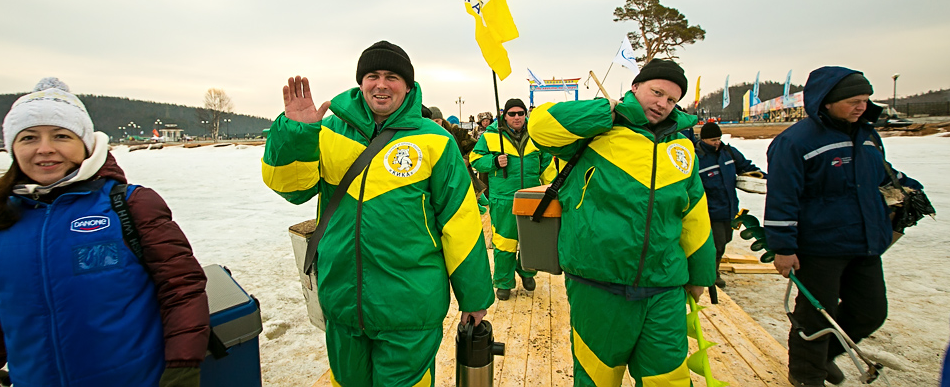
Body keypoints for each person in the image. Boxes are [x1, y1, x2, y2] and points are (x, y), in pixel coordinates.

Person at [261, 41, 494, 386]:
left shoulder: (435, 141)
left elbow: (459, 224)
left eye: (392, 77)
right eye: (372, 75)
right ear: (361, 82)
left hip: (410, 307)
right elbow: (291, 189)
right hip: (342, 302)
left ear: (409, 86)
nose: (381, 84)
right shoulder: (326, 132)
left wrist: (473, 297)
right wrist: (297, 133)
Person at [0, 78, 209, 387]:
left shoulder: (130, 205)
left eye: (61, 135)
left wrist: (182, 366)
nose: (45, 149)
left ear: (85, 144)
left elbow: (182, 288)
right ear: (12, 147)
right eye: (29, 137)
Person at [529, 59, 715, 386]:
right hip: (598, 282)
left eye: (671, 100)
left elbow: (694, 216)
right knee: (598, 379)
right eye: (657, 92)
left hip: (664, 286)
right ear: (635, 87)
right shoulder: (595, 131)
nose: (662, 104)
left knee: (669, 380)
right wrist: (606, 112)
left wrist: (699, 274)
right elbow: (540, 125)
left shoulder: (682, 148)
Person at [764, 67, 923, 387]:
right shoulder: (796, 142)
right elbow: (782, 196)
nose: (861, 106)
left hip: (865, 241)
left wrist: (908, 189)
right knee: (813, 316)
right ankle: (807, 375)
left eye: (865, 99)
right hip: (820, 246)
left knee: (871, 311)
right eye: (853, 100)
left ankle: (824, 356)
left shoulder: (867, 135)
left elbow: (880, 175)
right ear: (826, 101)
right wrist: (783, 246)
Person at [469, 98, 555, 301]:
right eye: (512, 113)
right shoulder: (491, 136)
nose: (517, 117)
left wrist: (551, 189)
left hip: (533, 197)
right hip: (504, 198)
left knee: (532, 239)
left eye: (520, 113)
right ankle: (504, 282)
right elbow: (475, 159)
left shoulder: (536, 135)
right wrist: (494, 161)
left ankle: (527, 272)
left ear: (526, 115)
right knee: (504, 242)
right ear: (504, 116)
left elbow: (547, 165)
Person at [694, 121, 764, 288]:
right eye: (713, 140)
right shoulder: (698, 157)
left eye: (718, 138)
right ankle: (711, 274)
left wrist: (763, 177)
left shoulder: (728, 152)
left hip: (729, 208)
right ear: (703, 140)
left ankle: (711, 269)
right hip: (711, 211)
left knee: (725, 240)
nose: (717, 142)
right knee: (716, 244)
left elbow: (746, 167)